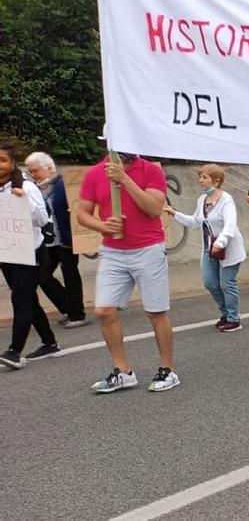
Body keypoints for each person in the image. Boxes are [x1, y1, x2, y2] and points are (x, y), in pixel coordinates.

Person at [77, 152, 178, 393]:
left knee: (155, 311)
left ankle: (167, 370)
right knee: (103, 310)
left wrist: (124, 179)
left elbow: (154, 209)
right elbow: (82, 213)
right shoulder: (94, 173)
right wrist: (102, 226)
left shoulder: (150, 170)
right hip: (113, 251)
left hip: (148, 249)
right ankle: (123, 372)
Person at [165, 164, 246, 332]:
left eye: (204, 177)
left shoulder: (226, 200)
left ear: (216, 181)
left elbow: (230, 225)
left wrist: (220, 242)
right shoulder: (202, 200)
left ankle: (233, 318)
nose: (200, 180)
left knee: (227, 283)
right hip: (209, 248)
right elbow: (195, 221)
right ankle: (225, 313)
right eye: (200, 177)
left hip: (227, 248)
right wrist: (175, 213)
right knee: (210, 283)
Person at [0, 144, 60, 369]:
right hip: (7, 253)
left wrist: (23, 200)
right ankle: (50, 342)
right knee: (28, 299)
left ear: (13, 163)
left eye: (3, 160)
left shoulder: (25, 186)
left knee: (21, 299)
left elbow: (42, 218)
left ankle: (15, 351)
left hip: (31, 253)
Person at [24, 152, 88, 327]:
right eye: (30, 172)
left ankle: (77, 315)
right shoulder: (35, 188)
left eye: (35, 170)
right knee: (42, 276)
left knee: (70, 274)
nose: (33, 175)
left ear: (49, 168)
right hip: (48, 241)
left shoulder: (64, 184)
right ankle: (69, 307)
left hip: (66, 238)